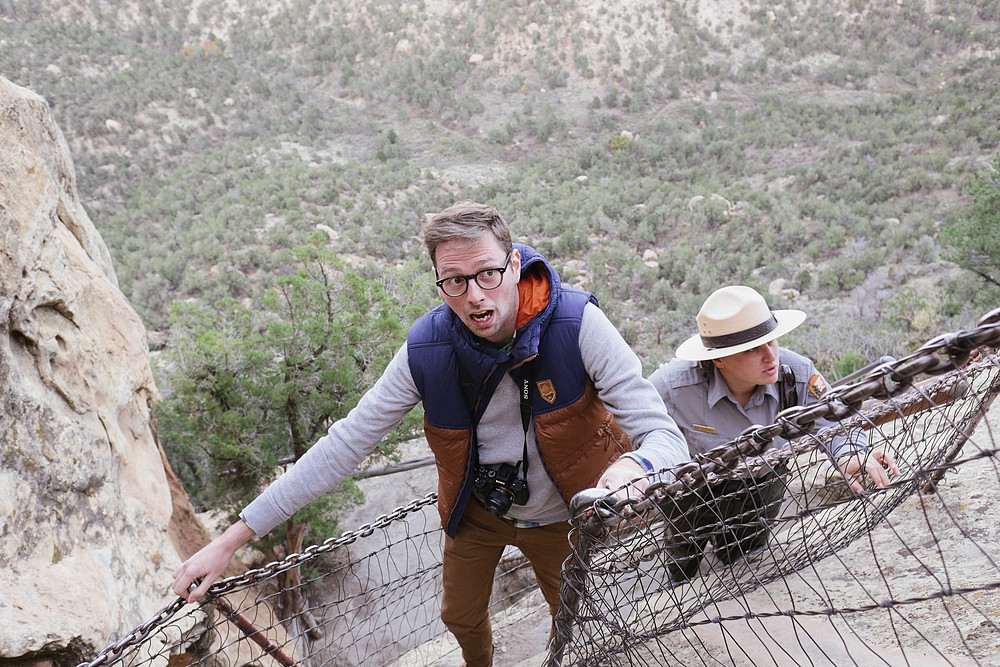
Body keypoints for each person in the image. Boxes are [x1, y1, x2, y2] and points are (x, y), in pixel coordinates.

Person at [172, 201, 688, 667]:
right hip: (480, 511)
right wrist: (229, 541)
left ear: (514, 265)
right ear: (440, 284)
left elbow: (664, 437)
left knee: (577, 627)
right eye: (454, 281)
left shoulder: (578, 325)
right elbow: (343, 447)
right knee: (459, 616)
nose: (474, 295)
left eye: (487, 273)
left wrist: (634, 469)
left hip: (562, 514)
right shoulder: (427, 351)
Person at [647, 285, 899, 581]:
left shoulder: (796, 375)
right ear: (718, 359)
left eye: (771, 341)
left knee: (743, 562)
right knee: (681, 563)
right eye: (753, 349)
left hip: (761, 489)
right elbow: (638, 423)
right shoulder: (672, 387)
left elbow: (838, 418)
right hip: (691, 494)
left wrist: (849, 454)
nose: (770, 357)